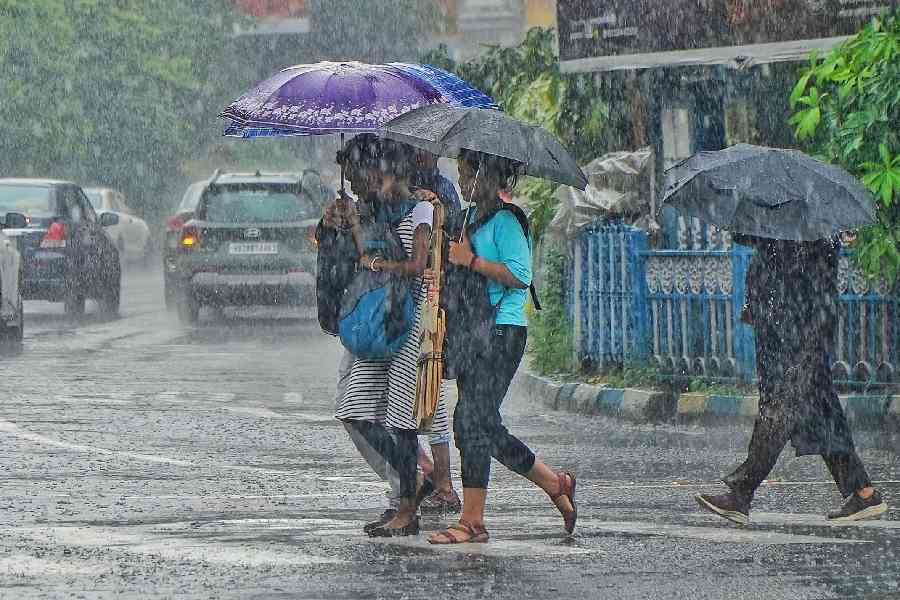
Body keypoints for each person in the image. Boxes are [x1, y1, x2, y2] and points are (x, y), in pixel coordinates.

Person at [426, 150, 576, 544]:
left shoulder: (507, 221)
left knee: (472, 419)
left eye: (465, 174)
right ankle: (553, 483)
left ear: (485, 177)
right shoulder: (467, 220)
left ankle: (473, 520)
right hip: (471, 333)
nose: (460, 182)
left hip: (502, 331)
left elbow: (520, 275)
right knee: (478, 423)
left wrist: (472, 261)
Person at [696, 235, 888, 525]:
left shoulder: (806, 230)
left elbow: (795, 276)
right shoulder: (788, 224)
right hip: (787, 331)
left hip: (797, 335)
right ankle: (864, 493)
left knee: (778, 410)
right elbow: (755, 244)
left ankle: (741, 493)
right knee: (822, 416)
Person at [334, 140, 451, 537]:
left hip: (408, 323)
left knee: (402, 422)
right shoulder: (377, 209)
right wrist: (351, 221)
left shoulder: (420, 209)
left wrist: (382, 263)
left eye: (381, 177)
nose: (376, 184)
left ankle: (406, 508)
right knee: (353, 411)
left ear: (397, 176)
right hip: (380, 320)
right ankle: (415, 481)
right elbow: (364, 253)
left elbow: (418, 266)